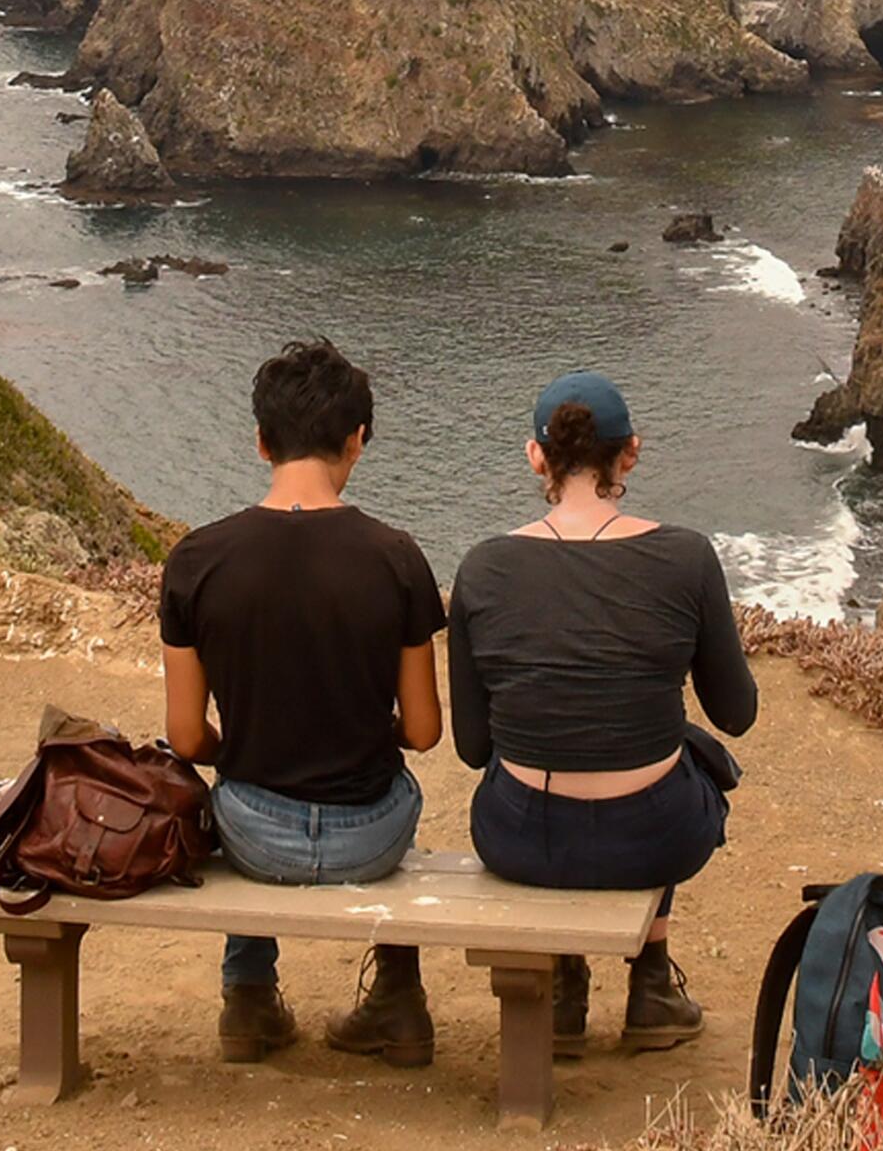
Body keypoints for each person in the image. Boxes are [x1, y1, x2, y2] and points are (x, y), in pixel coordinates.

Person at [446, 371, 758, 1055]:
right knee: (684, 753)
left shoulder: (483, 566)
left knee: (548, 753)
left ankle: (563, 987)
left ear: (536, 457)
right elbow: (736, 713)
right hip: (657, 834)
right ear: (631, 453)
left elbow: (472, 747)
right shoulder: (685, 556)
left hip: (520, 837)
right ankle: (650, 982)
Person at [159, 339, 448, 1066]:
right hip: (373, 838)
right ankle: (399, 998)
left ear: (260, 441)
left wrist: (250, 747)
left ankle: (249, 997)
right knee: (398, 784)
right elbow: (422, 731)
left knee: (233, 787)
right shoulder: (398, 557)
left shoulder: (196, 561)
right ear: (357, 440)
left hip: (254, 833)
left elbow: (187, 737)